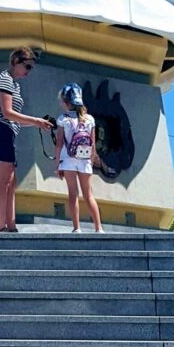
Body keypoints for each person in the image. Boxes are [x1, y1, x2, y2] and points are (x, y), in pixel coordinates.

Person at [0, 48, 53, 232]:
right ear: (16, 61)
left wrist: (38, 124)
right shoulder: (4, 79)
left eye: (31, 68)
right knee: (3, 179)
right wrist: (35, 120)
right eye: (27, 66)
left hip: (6, 130)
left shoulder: (15, 85)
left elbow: (14, 118)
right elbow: (7, 112)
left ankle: (11, 224)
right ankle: (1, 225)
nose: (28, 72)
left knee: (11, 180)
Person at [55, 82, 103, 234]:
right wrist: (92, 158)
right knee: (88, 194)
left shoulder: (63, 119)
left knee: (72, 193)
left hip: (68, 158)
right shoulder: (89, 119)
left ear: (66, 102)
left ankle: (77, 228)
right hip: (84, 158)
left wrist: (58, 164)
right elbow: (93, 143)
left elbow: (59, 143)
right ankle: (98, 227)